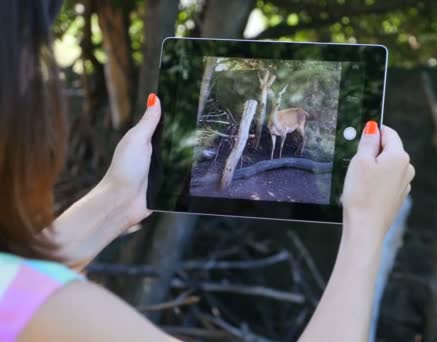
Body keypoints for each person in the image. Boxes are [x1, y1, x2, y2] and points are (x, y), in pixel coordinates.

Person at [0, 1, 415, 341]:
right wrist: (365, 230)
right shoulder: (56, 312)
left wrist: (117, 198)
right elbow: (26, 295)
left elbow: (16, 286)